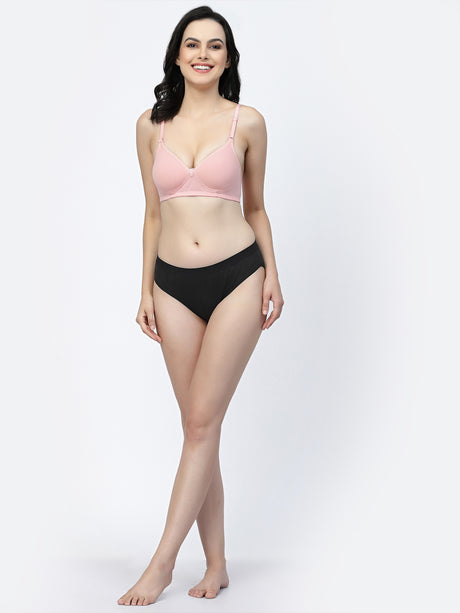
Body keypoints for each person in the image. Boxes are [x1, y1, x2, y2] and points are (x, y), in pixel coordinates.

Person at [118, 5, 284, 607]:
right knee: (198, 425)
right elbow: (152, 214)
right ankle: (216, 564)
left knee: (199, 424)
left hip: (237, 275)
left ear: (228, 58)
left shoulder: (248, 122)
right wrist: (144, 289)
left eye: (215, 46)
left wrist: (273, 276)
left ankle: (161, 564)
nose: (203, 54)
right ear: (177, 54)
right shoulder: (150, 126)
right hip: (172, 286)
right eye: (193, 44)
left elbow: (256, 207)